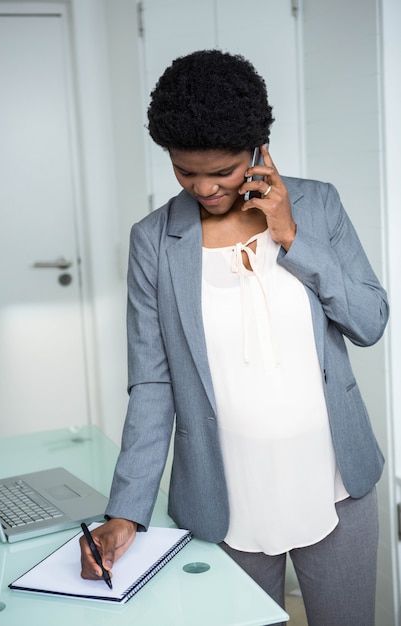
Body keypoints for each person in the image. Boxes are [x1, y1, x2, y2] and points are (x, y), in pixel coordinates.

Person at [80, 50, 389, 625]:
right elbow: (152, 381)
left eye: (220, 171)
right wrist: (126, 510)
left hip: (336, 484)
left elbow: (370, 322)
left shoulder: (317, 205)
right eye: (183, 170)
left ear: (255, 148)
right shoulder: (154, 241)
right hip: (225, 501)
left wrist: (291, 235)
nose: (203, 187)